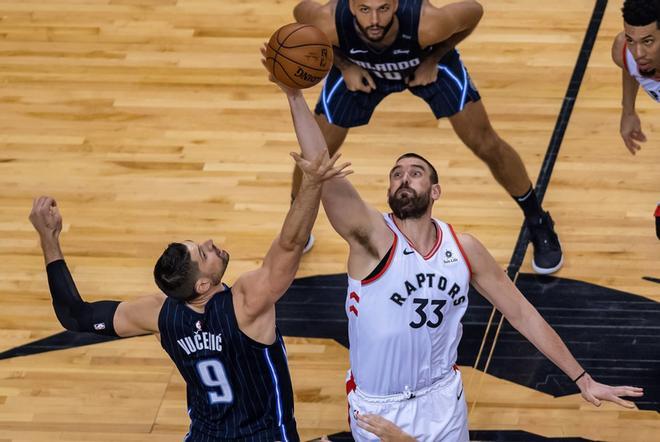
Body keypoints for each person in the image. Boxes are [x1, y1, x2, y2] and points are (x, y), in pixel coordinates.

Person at [262, 58, 644, 442]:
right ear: (389, 193)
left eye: (415, 173)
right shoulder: (372, 238)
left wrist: (582, 378)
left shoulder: (464, 249)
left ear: (435, 191)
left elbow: (522, 314)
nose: (403, 178)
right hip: (381, 409)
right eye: (396, 175)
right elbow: (321, 166)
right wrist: (294, 95)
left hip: (444, 398)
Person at [28, 149, 351, 442]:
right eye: (204, 252)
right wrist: (312, 183)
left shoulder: (159, 314)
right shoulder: (246, 304)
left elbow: (75, 315)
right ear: (203, 286)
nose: (210, 243)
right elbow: (291, 243)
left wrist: (49, 238)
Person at [290, 0, 563, 274]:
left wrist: (434, 57)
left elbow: (474, 12)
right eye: (364, 9)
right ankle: (297, 222)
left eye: (383, 9)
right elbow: (300, 14)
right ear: (350, 6)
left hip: (422, 62)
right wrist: (344, 65)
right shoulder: (328, 19)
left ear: (396, 4)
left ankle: (537, 220)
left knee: (485, 143)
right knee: (312, 156)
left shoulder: (428, 23)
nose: (374, 19)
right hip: (359, 67)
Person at [611, 0, 659, 155]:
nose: (638, 54)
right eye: (631, 40)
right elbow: (630, 68)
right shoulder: (623, 51)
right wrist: (628, 111)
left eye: (648, 41)